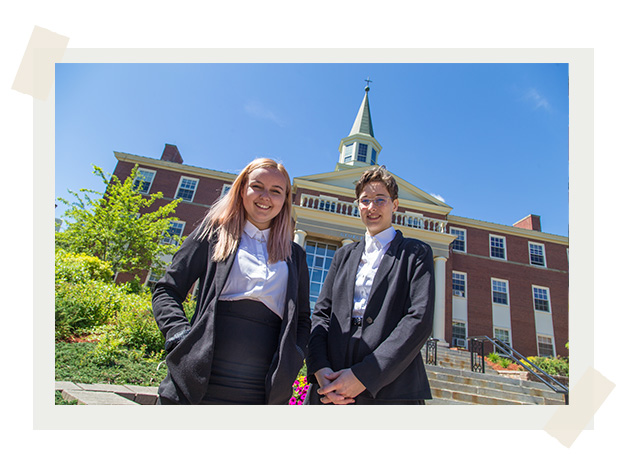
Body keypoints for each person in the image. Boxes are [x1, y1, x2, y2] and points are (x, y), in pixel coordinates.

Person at [153, 158, 310, 404]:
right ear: (242, 189)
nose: (265, 196)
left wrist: (295, 355)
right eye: (257, 186)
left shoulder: (295, 256)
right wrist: (178, 334)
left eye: (276, 191)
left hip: (261, 389)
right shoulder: (212, 234)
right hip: (198, 377)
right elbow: (166, 289)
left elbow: (302, 319)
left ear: (285, 199)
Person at [306, 166, 435, 405]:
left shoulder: (416, 254)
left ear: (395, 205)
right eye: (365, 200)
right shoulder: (343, 255)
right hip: (331, 382)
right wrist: (320, 369)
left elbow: (418, 320)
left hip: (389, 388)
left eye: (380, 200)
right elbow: (321, 315)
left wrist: (364, 376)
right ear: (358, 205)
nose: (372, 207)